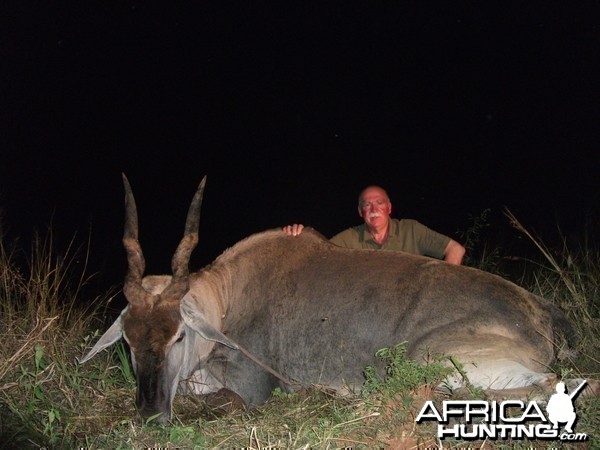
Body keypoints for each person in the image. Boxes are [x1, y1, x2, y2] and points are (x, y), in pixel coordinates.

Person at [283, 185, 465, 265]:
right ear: (360, 212)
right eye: (367, 205)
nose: (373, 209)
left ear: (389, 207)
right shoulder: (349, 238)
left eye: (379, 203)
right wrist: (299, 236)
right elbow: (319, 255)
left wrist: (441, 288)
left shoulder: (411, 230)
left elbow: (456, 250)